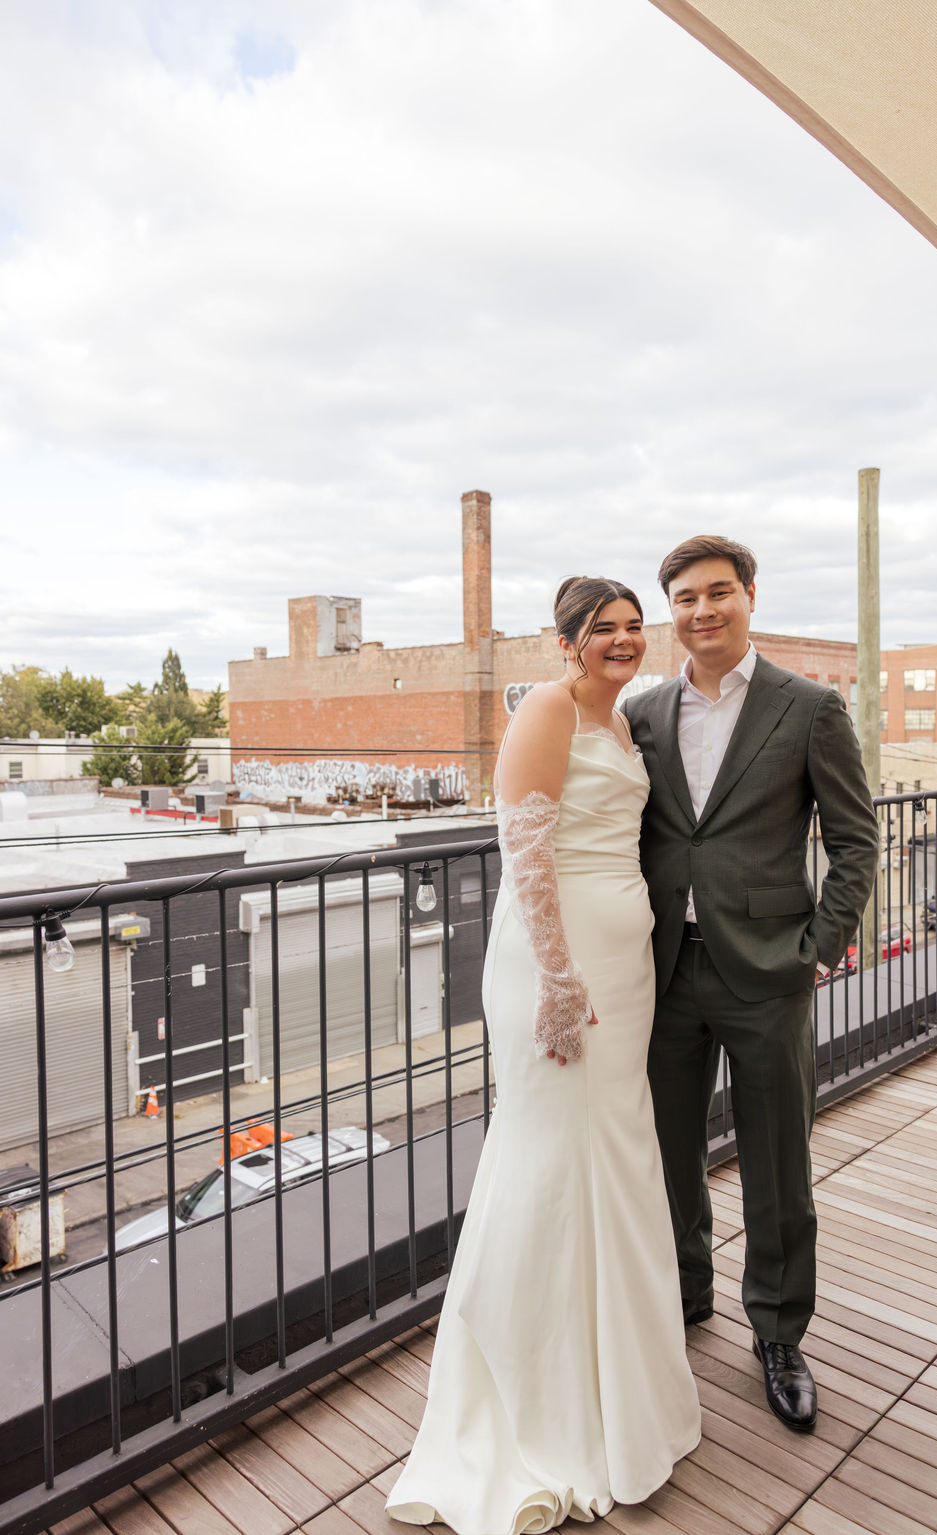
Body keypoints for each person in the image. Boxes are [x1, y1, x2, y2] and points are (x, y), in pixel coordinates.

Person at [386, 577, 701, 1535]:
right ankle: (528, 1401)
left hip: (626, 962)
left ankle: (619, 1397)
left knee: (616, 1158)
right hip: (556, 971)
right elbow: (522, 856)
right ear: (564, 642)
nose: (621, 639)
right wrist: (561, 981)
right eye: (601, 629)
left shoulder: (621, 724)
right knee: (546, 1163)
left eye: (631, 626)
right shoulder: (545, 713)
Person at [622, 535, 878, 1433]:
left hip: (770, 971)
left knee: (778, 1164)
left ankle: (777, 1331)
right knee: (668, 1154)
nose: (703, 610)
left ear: (749, 597)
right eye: (686, 597)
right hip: (665, 970)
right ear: (672, 612)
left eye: (718, 593)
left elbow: (856, 840)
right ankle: (685, 1297)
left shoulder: (810, 707)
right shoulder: (643, 712)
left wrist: (822, 942)